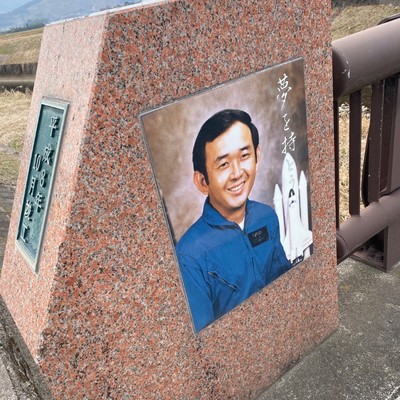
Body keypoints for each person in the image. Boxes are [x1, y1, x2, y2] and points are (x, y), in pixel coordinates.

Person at [177, 109, 291, 332]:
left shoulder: (267, 216)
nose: (237, 173)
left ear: (257, 156)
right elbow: (205, 337)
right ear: (202, 182)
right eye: (223, 164)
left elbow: (287, 279)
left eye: (244, 156)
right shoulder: (189, 256)